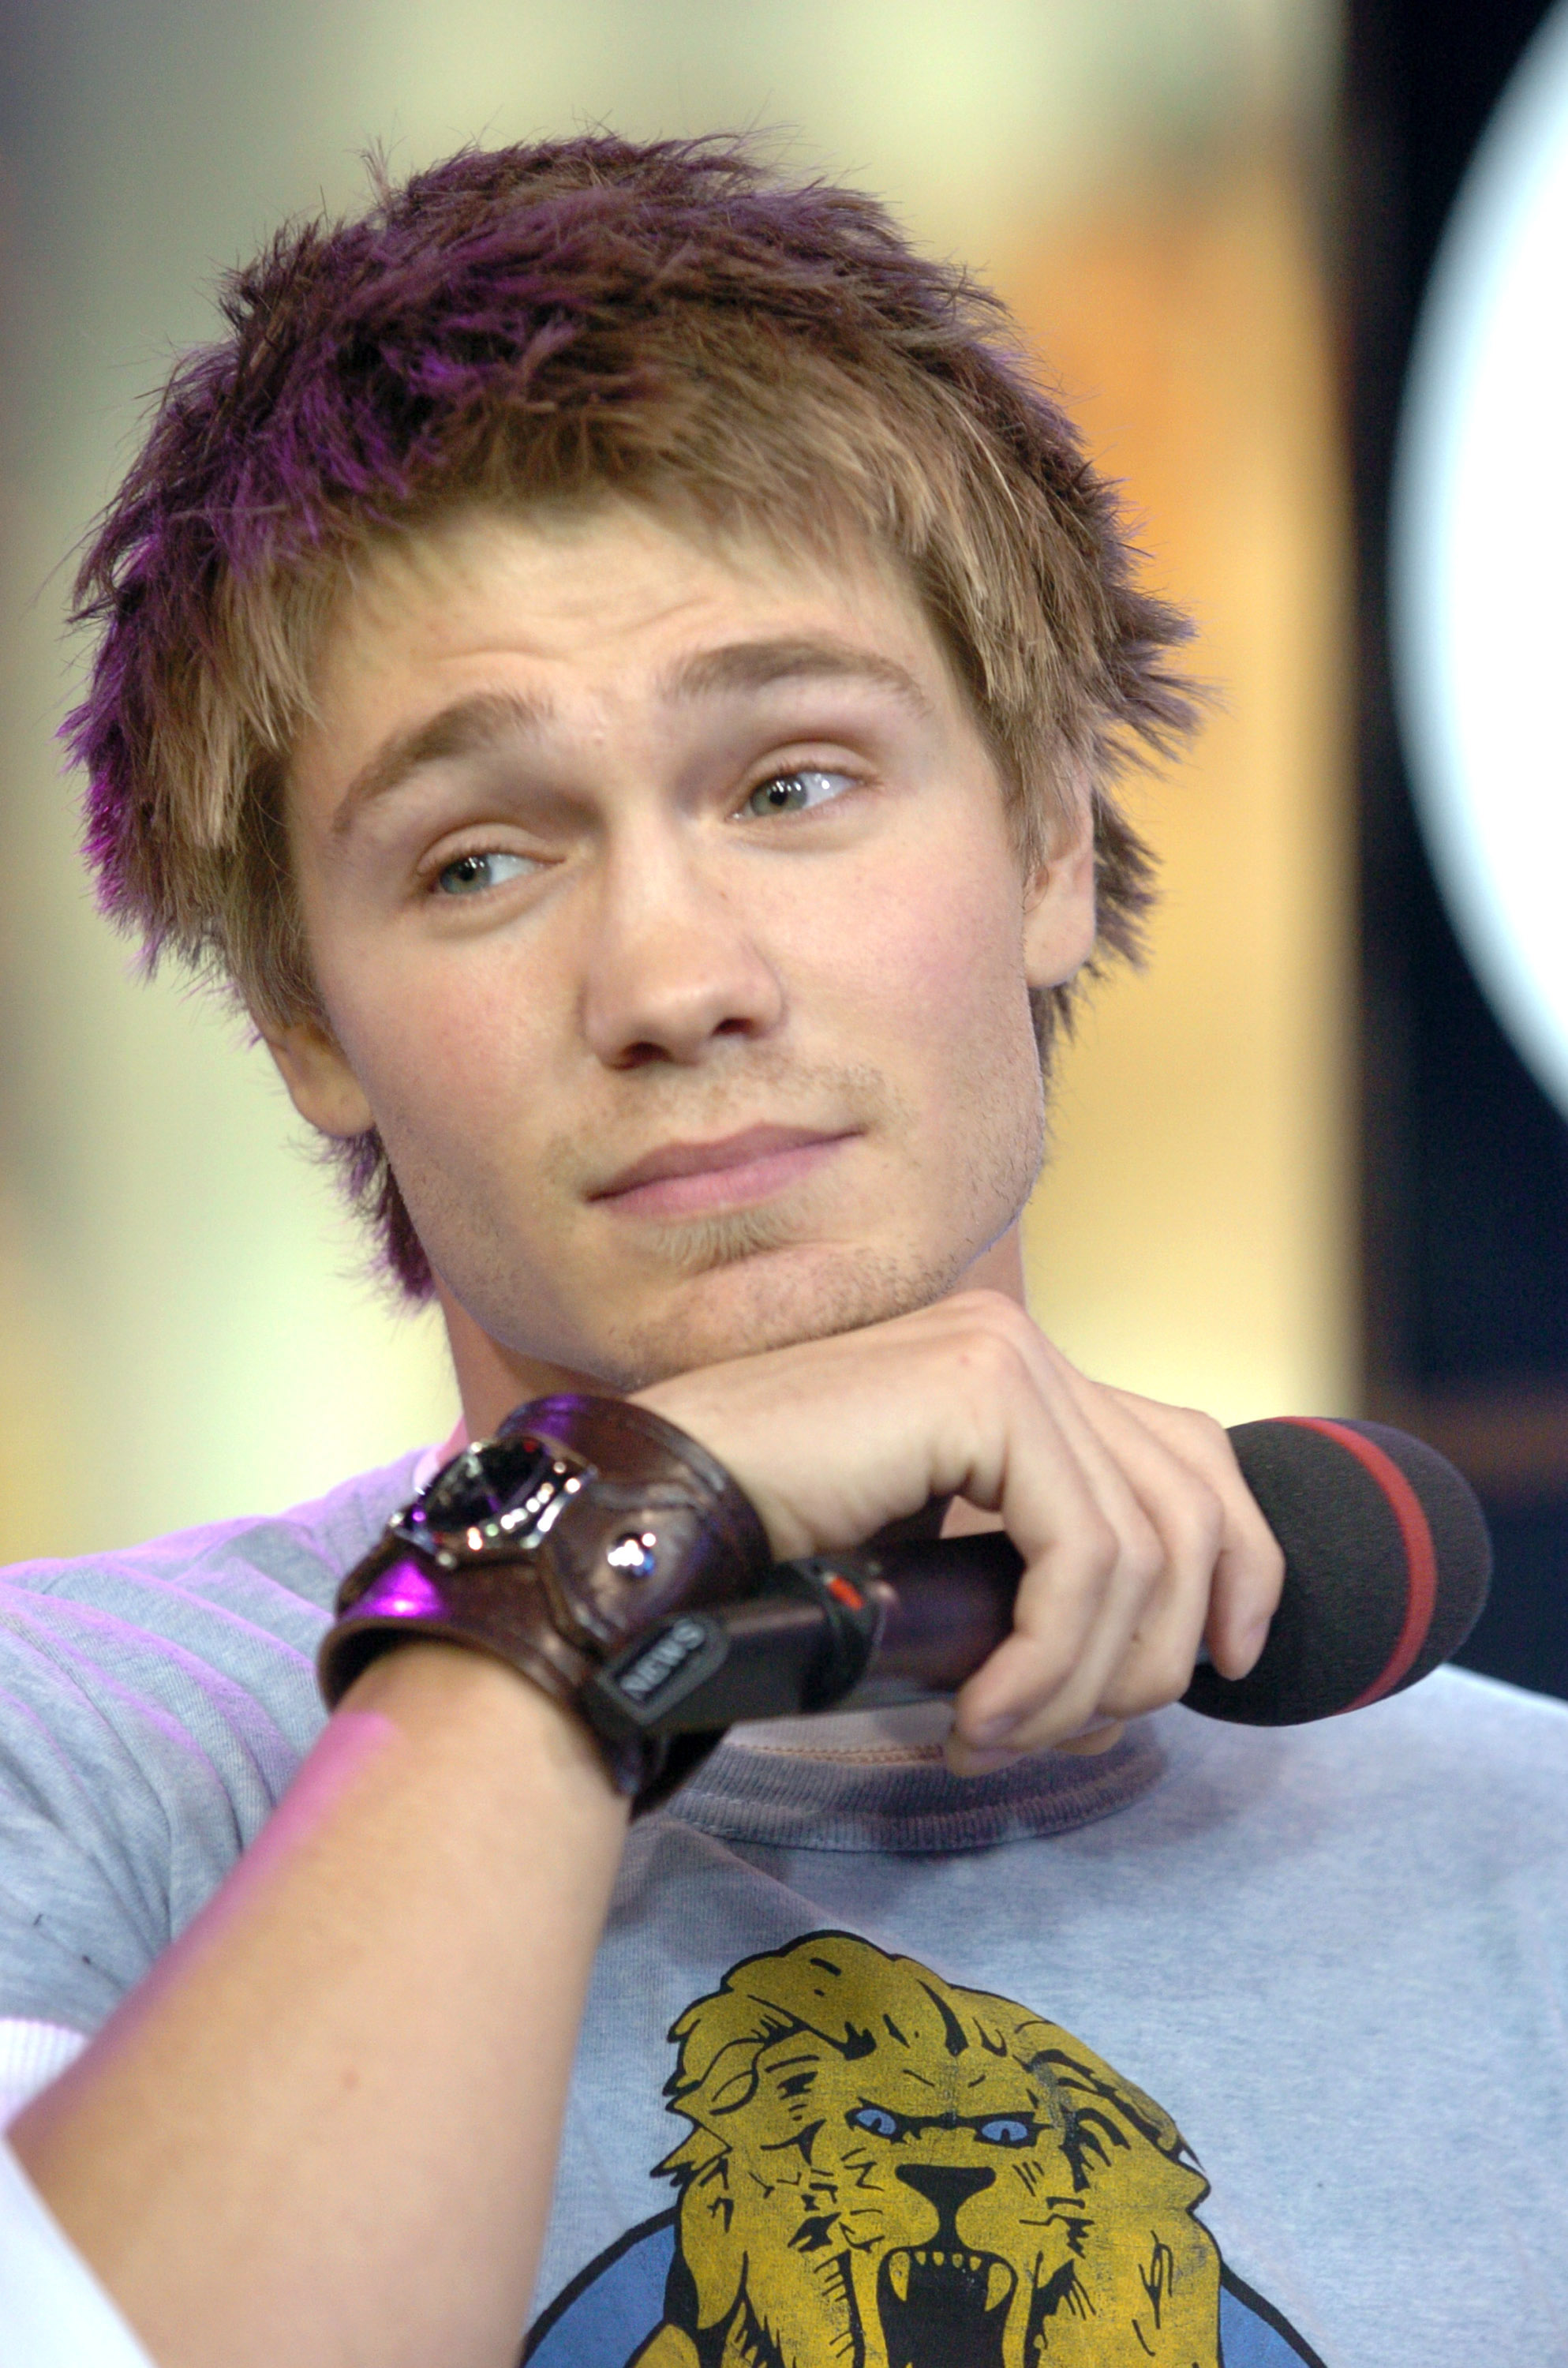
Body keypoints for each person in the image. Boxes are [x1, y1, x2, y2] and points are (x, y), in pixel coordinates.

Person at [0, 136, 1563, 2368]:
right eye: (475, 860)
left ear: (1042, 837)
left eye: (791, 784)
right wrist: (581, 1575)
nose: (673, 974)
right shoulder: (72, 1763)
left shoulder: (1529, 1880)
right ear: (307, 1026)